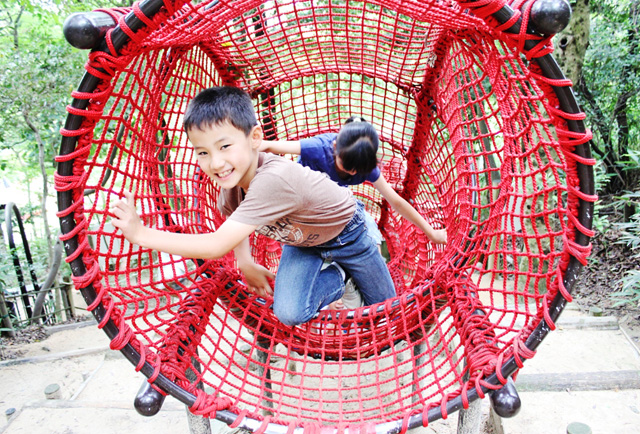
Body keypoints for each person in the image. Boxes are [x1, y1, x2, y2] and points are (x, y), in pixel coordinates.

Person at [109, 86, 396, 326]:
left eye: (224, 147)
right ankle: (342, 277)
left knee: (387, 311)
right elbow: (232, 217)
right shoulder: (230, 187)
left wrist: (141, 235)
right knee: (289, 313)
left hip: (347, 232)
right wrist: (245, 262)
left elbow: (214, 245)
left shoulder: (273, 179)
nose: (216, 163)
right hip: (302, 241)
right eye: (203, 153)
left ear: (255, 138)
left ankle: (351, 263)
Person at [260, 116, 447, 246]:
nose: (351, 171)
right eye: (346, 164)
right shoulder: (318, 147)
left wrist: (431, 232)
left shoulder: (366, 165)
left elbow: (396, 201)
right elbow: (269, 146)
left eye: (357, 169)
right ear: (334, 147)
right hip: (302, 195)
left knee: (369, 234)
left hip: (331, 201)